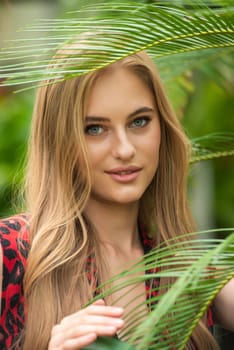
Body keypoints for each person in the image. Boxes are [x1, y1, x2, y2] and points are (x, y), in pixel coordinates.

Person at [0, 50, 233, 350]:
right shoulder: (10, 253)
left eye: (139, 121)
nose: (124, 149)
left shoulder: (185, 274)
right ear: (59, 141)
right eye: (95, 129)